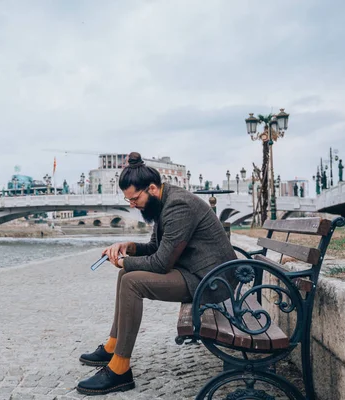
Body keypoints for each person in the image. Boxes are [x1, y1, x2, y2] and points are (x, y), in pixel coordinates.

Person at [76, 152, 237, 396]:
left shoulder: (178, 206)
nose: (132, 205)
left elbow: (161, 263)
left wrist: (123, 263)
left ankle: (120, 369)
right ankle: (112, 346)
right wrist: (129, 246)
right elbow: (155, 248)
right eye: (128, 200)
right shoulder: (163, 202)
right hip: (197, 273)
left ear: (151, 188)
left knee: (131, 281)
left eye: (134, 198)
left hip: (211, 281)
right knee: (126, 276)